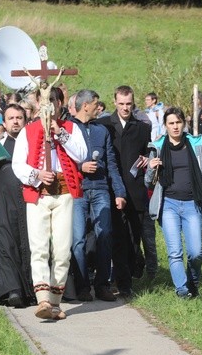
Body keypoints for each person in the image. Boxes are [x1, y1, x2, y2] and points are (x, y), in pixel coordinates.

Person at [12, 90, 87, 320]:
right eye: (43, 101)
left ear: (60, 103)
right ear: (37, 104)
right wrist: (36, 174)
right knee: (39, 248)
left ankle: (55, 302)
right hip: (38, 195)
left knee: (63, 251)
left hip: (64, 193)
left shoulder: (70, 128)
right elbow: (18, 164)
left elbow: (81, 155)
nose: (48, 105)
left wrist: (61, 133)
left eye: (52, 101)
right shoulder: (29, 130)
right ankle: (42, 298)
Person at [145, 107, 202, 298]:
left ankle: (193, 282)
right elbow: (148, 182)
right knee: (175, 252)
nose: (175, 127)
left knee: (196, 253)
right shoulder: (158, 147)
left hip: (192, 204)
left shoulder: (195, 144)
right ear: (165, 126)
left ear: (183, 123)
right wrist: (151, 169)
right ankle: (182, 290)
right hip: (168, 204)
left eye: (178, 122)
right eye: (171, 123)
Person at [66, 90, 126, 302]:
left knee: (105, 235)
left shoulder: (102, 130)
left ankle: (102, 285)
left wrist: (119, 192)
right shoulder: (68, 128)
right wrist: (80, 167)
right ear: (85, 106)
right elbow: (64, 160)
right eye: (96, 104)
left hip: (101, 189)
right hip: (78, 190)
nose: (99, 108)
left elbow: (111, 164)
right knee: (78, 240)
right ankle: (82, 286)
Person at [96, 85, 152, 297]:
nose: (125, 108)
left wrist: (148, 158)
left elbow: (149, 151)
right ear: (114, 102)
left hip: (136, 191)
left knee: (133, 239)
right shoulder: (103, 126)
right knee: (116, 237)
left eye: (129, 104)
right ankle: (122, 283)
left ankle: (129, 275)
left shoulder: (142, 129)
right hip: (111, 190)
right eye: (121, 104)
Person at [0, 104, 35, 307]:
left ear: (25, 120)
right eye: (11, 118)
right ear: (4, 123)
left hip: (30, 203)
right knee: (6, 246)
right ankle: (13, 291)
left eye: (19, 117)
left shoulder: (32, 144)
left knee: (31, 246)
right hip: (5, 205)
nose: (15, 121)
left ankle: (32, 290)